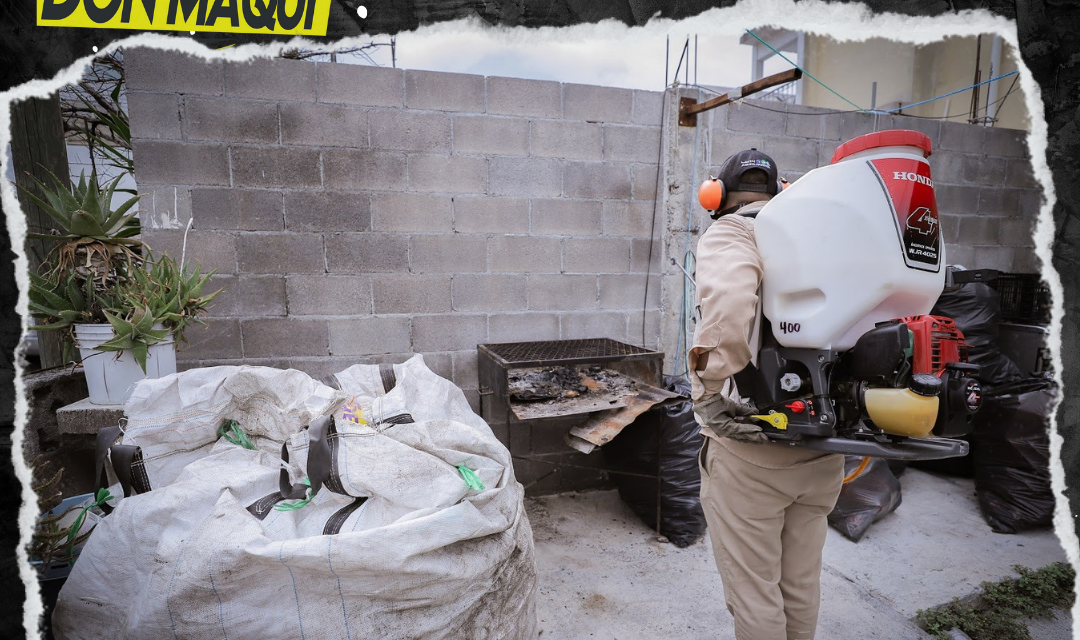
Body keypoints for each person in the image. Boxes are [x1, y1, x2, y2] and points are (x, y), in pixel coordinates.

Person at [688, 149, 845, 640]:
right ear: (782, 192)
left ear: (715, 198)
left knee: (756, 595)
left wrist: (708, 391)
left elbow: (731, 306)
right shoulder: (821, 237)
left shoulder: (732, 231)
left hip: (753, 453)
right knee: (799, 584)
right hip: (825, 449)